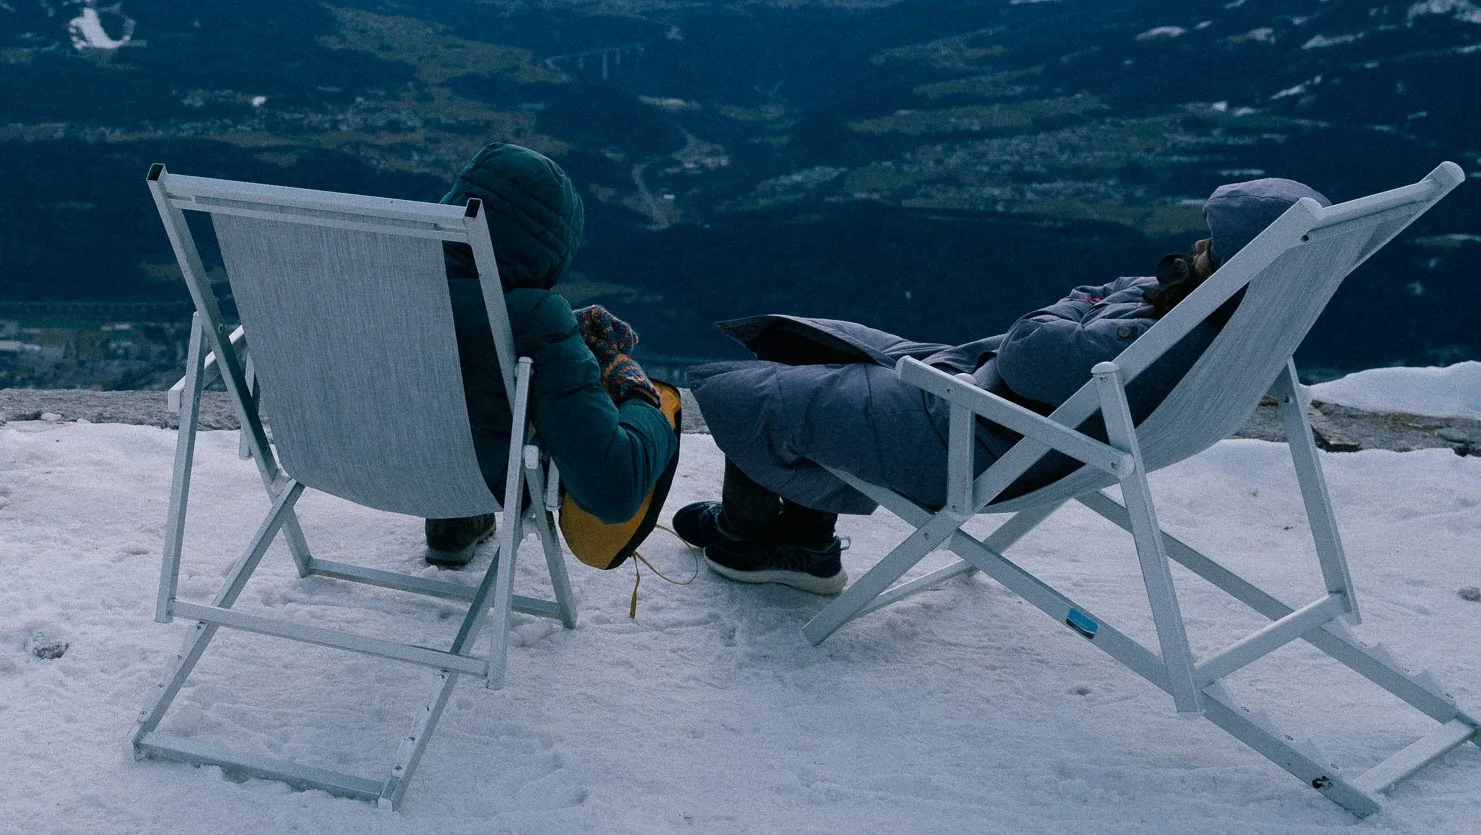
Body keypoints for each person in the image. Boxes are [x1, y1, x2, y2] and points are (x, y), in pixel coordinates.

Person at [676, 177, 1328, 595]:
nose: (1195, 247)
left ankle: (753, 537)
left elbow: (1033, 349)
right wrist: (1090, 308)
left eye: (1212, 247)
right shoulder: (1219, 321)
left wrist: (1076, 306)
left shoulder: (1168, 333)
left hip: (978, 432)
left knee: (751, 391)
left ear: (1240, 268)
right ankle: (797, 535)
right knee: (806, 341)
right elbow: (1080, 321)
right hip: (1002, 413)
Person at [424, 142, 683, 568]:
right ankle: (459, 501)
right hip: (483, 478)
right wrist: (638, 395)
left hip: (335, 457)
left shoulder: (368, 276)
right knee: (655, 407)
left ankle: (452, 519)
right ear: (552, 253)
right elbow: (612, 489)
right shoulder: (534, 320)